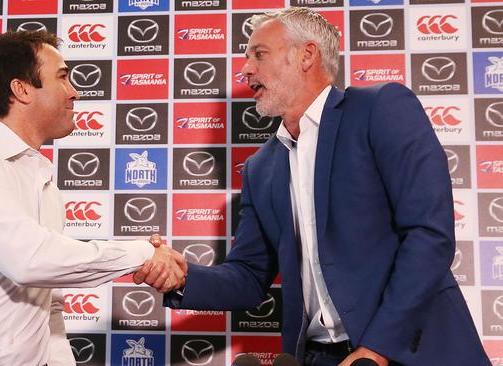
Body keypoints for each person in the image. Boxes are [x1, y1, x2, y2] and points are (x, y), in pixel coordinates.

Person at [135, 7, 488, 366]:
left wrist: (377, 348)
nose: (246, 69)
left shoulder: (380, 108)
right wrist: (181, 277)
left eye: (259, 54)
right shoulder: (261, 168)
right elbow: (248, 276)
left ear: (306, 55)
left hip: (412, 351)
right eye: (246, 58)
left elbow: (429, 234)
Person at [0, 31, 184, 366]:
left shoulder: (44, 181)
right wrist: (144, 252)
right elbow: (28, 260)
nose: (75, 91)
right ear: (22, 89)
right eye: (62, 77)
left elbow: (48, 306)